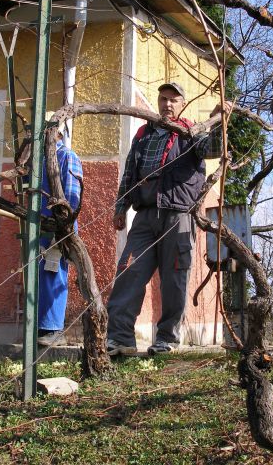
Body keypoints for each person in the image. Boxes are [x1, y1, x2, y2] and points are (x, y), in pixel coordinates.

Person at [106, 82, 227, 356]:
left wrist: (220, 121)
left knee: (174, 279)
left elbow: (212, 149)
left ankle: (167, 339)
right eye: (163, 99)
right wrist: (120, 208)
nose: (167, 104)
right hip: (145, 217)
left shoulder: (190, 132)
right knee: (129, 272)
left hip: (178, 216)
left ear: (182, 104)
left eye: (174, 100)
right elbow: (129, 174)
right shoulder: (142, 134)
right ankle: (120, 338)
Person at [37, 122, 83, 346]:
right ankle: (40, 327)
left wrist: (63, 228)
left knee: (53, 274)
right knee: (40, 275)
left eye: (46, 130)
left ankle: (53, 329)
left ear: (58, 133)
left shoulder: (68, 157)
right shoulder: (39, 160)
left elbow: (72, 197)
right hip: (40, 227)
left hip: (58, 227)